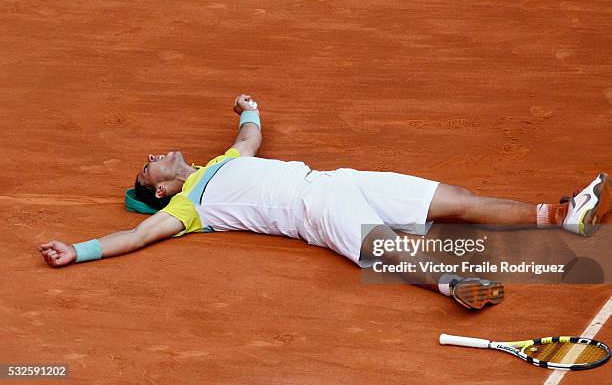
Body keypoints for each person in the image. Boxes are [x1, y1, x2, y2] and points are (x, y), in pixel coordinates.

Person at [39, 94, 611, 310]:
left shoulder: (218, 165)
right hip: (311, 213)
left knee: (451, 200)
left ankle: (560, 215)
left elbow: (249, 140)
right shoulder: (187, 207)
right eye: (148, 167)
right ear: (159, 189)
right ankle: (454, 286)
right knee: (380, 248)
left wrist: (248, 108)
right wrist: (81, 250)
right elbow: (135, 237)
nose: (152, 154)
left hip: (339, 179)